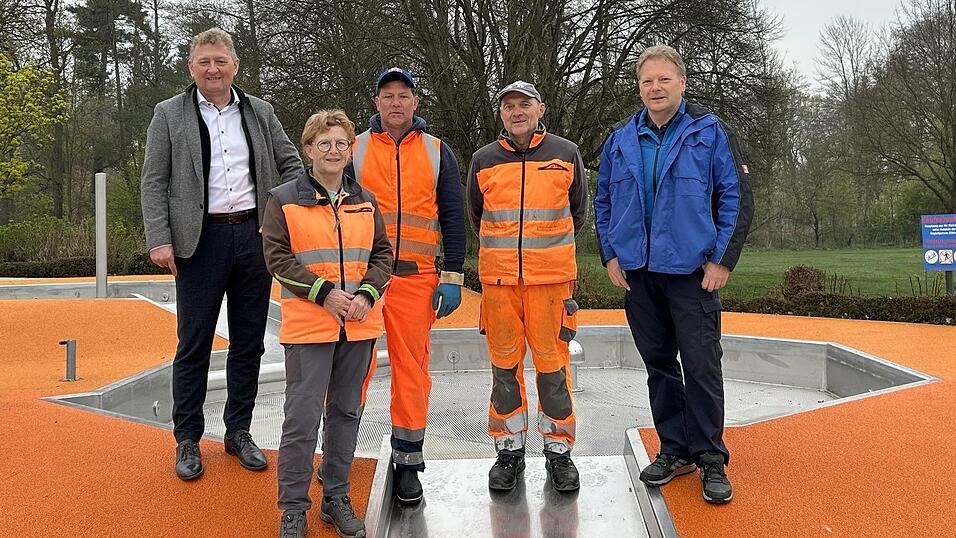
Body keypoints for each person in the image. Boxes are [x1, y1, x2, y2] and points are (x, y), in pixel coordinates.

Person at [593, 45, 754, 504]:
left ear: (682, 83)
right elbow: (604, 201)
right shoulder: (620, 139)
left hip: (691, 272)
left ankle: (710, 457)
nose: (655, 88)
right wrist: (610, 255)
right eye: (647, 81)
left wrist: (722, 260)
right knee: (659, 365)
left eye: (664, 79)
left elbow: (736, 196)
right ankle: (674, 449)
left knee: (701, 366)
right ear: (639, 88)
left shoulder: (710, 131)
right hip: (639, 274)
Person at [140, 27, 303, 480]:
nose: (213, 69)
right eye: (204, 61)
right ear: (191, 67)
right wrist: (159, 238)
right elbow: (153, 181)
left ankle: (238, 431)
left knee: (249, 342)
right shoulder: (168, 114)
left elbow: (291, 163)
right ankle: (188, 439)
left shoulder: (260, 111)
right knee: (194, 343)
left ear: (235, 66)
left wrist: (289, 216)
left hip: (254, 236)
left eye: (220, 61)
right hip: (199, 242)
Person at [263, 109, 392, 538]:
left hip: (358, 325)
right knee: (301, 419)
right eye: (324, 143)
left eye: (341, 143)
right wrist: (325, 293)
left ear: (350, 150)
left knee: (345, 413)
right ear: (308, 150)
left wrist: (367, 294)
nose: (333, 151)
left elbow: (383, 254)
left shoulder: (366, 200)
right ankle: (293, 508)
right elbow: (277, 258)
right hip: (309, 327)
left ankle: (335, 497)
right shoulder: (283, 199)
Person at [345, 67, 466, 505]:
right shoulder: (353, 148)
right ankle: (338, 455)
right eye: (388, 95)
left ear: (415, 102)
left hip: (417, 279)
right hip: (363, 278)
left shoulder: (437, 151)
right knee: (350, 368)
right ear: (376, 102)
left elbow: (453, 215)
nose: (395, 103)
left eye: (403, 95)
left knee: (411, 371)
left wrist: (453, 275)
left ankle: (409, 462)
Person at [467, 80, 589, 493]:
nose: (517, 112)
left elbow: (578, 213)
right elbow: (476, 215)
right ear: (501, 114)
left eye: (524, 104)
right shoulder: (483, 160)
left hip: (551, 283)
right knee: (504, 369)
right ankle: (509, 451)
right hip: (500, 283)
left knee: (553, 369)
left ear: (541, 109)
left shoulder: (566, 153)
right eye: (509, 106)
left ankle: (559, 452)